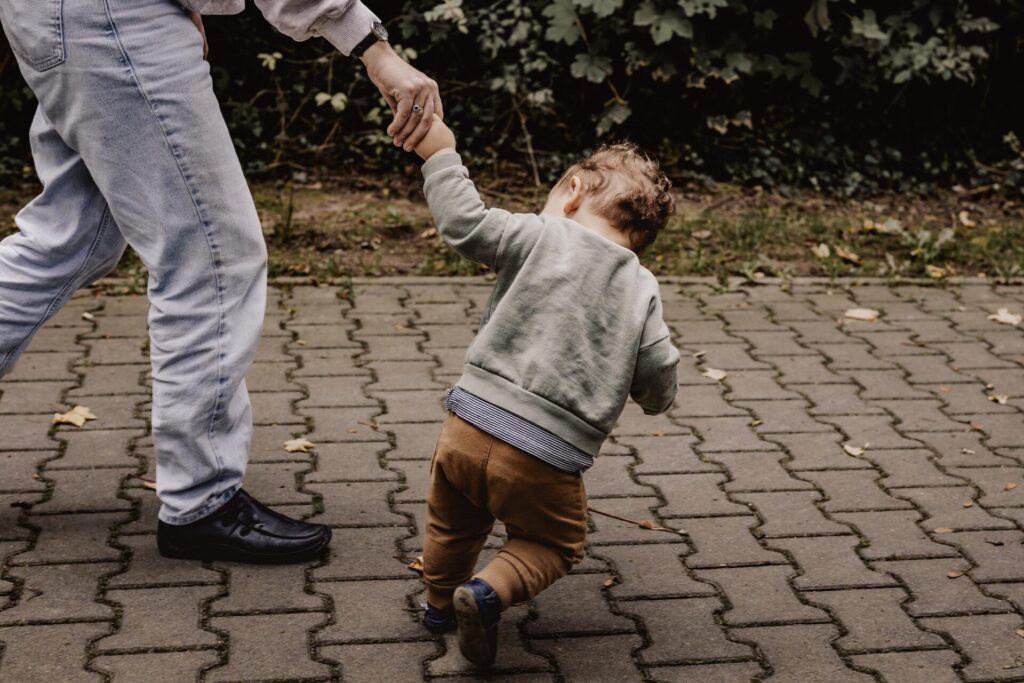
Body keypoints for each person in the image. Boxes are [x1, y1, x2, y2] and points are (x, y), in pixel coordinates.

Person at [0, 0, 441, 564]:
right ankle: (201, 502)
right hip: (111, 18)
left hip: (59, 15)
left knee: (70, 236)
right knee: (210, 254)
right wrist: (372, 48)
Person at [409, 116, 680, 666]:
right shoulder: (641, 287)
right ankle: (488, 593)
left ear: (574, 191)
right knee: (556, 543)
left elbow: (464, 222)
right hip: (545, 455)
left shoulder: (539, 235)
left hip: (467, 425)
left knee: (452, 520)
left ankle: (439, 604)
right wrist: (655, 400)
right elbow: (657, 372)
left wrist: (440, 154)